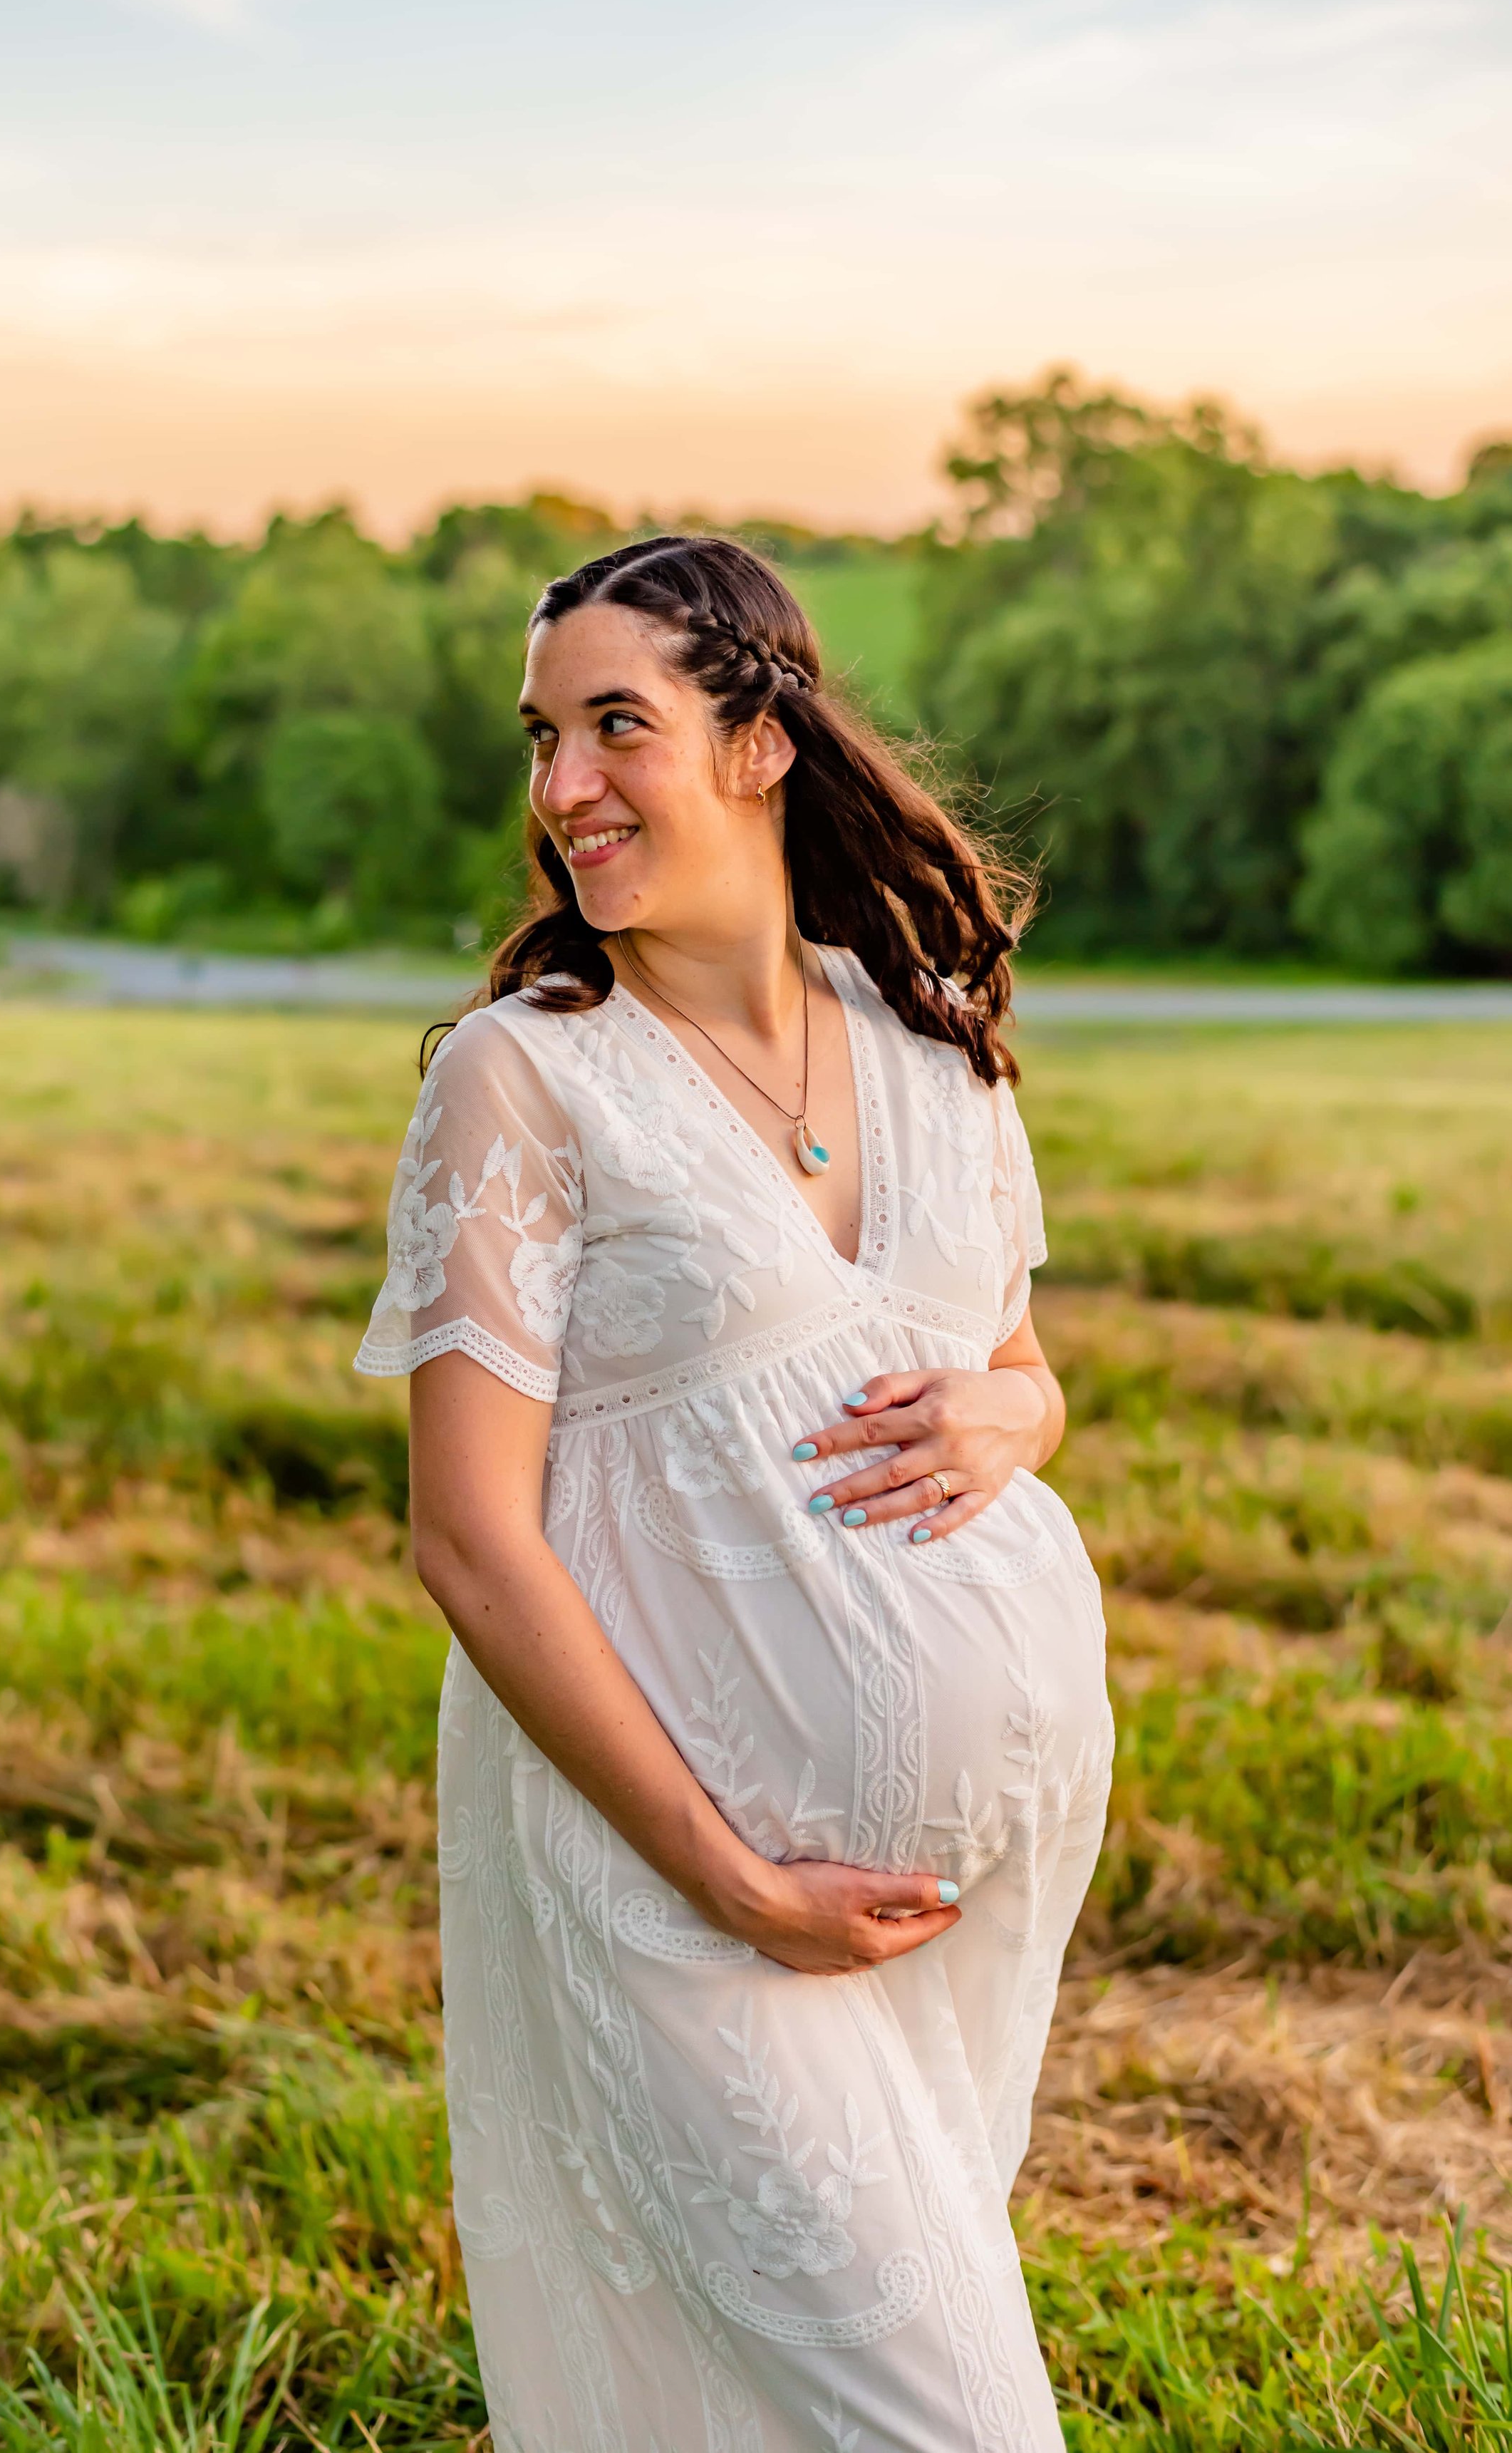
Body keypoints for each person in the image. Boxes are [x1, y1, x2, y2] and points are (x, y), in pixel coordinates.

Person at [356, 537, 1112, 2453]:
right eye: (542, 736)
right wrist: (734, 1873)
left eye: (619, 723)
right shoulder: (533, 1079)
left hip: (954, 1902)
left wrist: (1017, 1425)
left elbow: (1013, 1365)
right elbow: (464, 1531)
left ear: (761, 738)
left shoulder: (928, 1039)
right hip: (680, 1885)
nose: (561, 786)